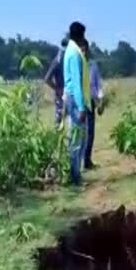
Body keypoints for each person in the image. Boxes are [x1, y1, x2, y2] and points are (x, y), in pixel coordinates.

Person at [63, 21, 91, 186]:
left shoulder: (72, 50)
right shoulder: (74, 53)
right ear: (80, 35)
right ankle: (75, 177)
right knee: (77, 140)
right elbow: (76, 83)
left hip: (76, 100)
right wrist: (81, 107)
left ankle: (76, 173)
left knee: (80, 139)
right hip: (75, 101)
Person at [82, 41, 104, 170]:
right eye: (81, 50)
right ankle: (76, 163)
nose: (83, 53)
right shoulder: (75, 65)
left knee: (90, 132)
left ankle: (87, 161)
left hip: (90, 101)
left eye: (85, 50)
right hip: (78, 101)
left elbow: (98, 84)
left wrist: (101, 101)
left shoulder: (93, 65)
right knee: (79, 132)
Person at [44, 38, 68, 127]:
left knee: (59, 121)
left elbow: (47, 79)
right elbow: (47, 78)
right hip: (67, 94)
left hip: (61, 94)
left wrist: (56, 88)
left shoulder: (57, 60)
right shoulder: (61, 60)